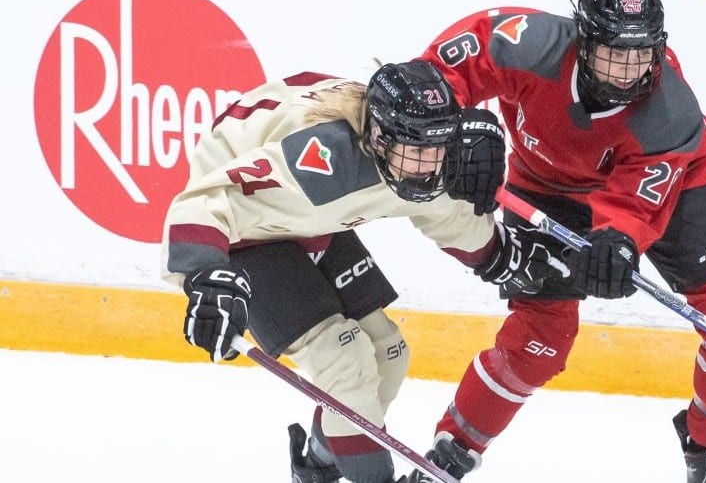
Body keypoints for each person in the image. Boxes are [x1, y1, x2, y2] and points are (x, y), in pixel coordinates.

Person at [404, 0, 706, 482]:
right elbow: (440, 72)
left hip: (671, 176)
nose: (628, 71)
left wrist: (619, 241)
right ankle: (449, 455)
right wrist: (465, 123)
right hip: (544, 186)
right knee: (543, 338)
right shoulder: (527, 43)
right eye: (614, 53)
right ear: (584, 39)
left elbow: (638, 200)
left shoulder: (669, 111)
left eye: (641, 53)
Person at [160, 60, 566, 483]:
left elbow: (449, 218)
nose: (428, 166)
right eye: (418, 151)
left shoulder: (411, 147)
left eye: (437, 148)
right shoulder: (322, 163)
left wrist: (504, 257)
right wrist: (206, 277)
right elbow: (201, 203)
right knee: (345, 363)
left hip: (314, 221)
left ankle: (317, 465)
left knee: (390, 353)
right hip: (246, 235)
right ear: (378, 138)